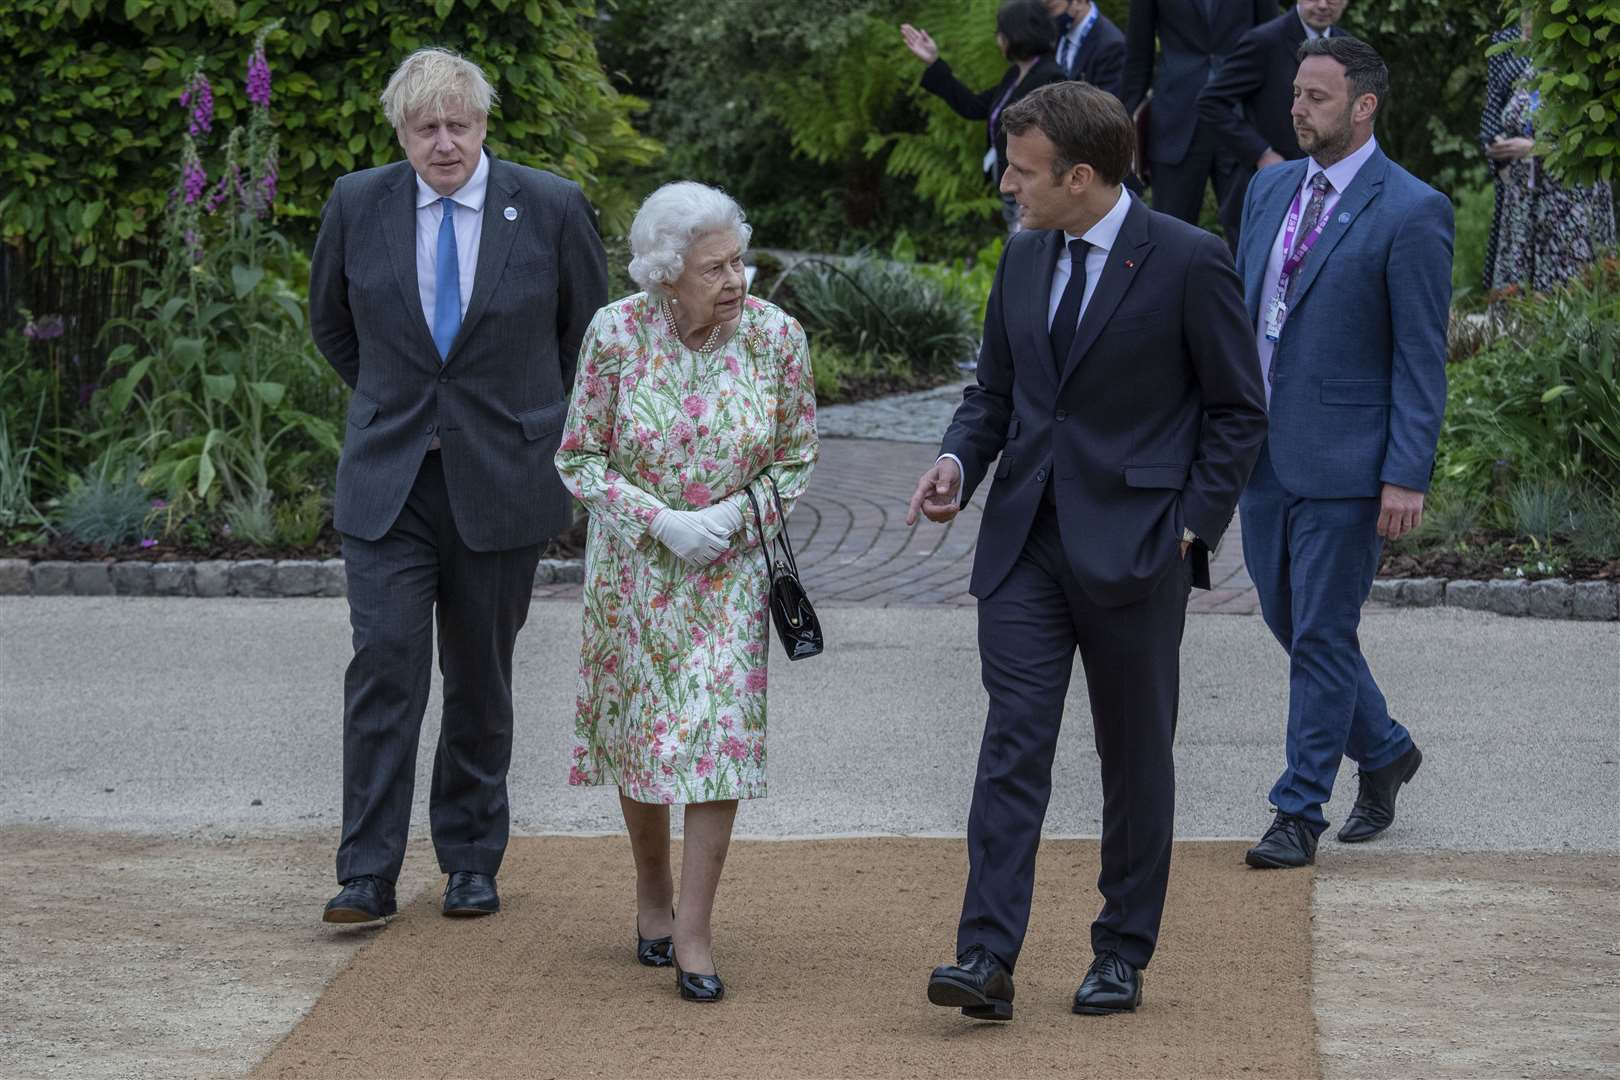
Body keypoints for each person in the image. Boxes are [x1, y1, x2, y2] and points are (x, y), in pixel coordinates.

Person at [907, 81, 1266, 1021]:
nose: (1007, 188)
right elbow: (995, 391)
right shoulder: (1024, 257)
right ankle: (984, 957)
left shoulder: (1190, 260)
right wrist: (956, 461)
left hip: (1139, 548)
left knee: (1134, 757)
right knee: (1011, 747)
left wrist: (1190, 528)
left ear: (1079, 174)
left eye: (1022, 173)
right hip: (1024, 542)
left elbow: (1237, 411)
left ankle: (1122, 951)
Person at [308, 47, 608, 924]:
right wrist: (402, 402)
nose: (445, 143)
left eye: (459, 125)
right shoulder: (356, 204)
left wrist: (527, 419)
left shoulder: (547, 205)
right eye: (425, 127)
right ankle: (366, 872)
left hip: (503, 476)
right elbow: (332, 325)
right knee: (385, 666)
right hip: (389, 478)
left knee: (481, 675)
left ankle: (472, 859)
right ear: (400, 132)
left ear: (484, 124)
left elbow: (586, 338)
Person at [554, 182, 819, 1003]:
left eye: (740, 259)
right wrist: (660, 521)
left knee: (716, 742)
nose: (736, 279)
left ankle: (695, 933)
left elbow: (798, 457)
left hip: (731, 569)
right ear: (667, 274)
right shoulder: (617, 332)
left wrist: (738, 514)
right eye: (715, 268)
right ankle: (651, 895)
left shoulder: (777, 338)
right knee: (642, 734)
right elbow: (579, 458)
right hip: (638, 566)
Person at [1234, 36, 1451, 870]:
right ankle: (1387, 746)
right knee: (1291, 622)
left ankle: (1298, 810)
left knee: (1322, 632)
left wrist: (1406, 470)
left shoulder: (1412, 209)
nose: (1298, 108)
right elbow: (1244, 311)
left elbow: (1419, 354)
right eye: (1295, 94)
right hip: (1259, 456)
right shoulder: (1269, 189)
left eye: (1317, 97)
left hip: (1349, 460)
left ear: (1364, 106)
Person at [901, 0, 1067, 231]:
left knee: (1026, 249)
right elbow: (975, 106)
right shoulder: (1016, 74)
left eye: (1001, 33)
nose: (998, 40)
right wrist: (934, 62)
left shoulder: (1050, 77)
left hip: (1032, 188)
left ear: (1018, 33)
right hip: (1011, 183)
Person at [1198, 0, 1349, 252]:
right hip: (1270, 188)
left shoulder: (1348, 47)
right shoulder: (1264, 41)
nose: (1323, 5)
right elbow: (1210, 102)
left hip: (1327, 187)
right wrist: (1261, 152)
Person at [1480, 18, 1616, 296]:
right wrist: (1500, 150)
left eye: (1534, 13)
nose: (1525, 23)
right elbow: (1507, 119)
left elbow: (1592, 146)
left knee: (1567, 290)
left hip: (1568, 202)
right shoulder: (1528, 72)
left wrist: (1534, 149)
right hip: (1524, 199)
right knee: (1521, 297)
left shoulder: (1582, 75)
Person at [1123, 0, 1279, 224]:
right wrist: (1126, 120)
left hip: (1241, 118)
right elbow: (1138, 52)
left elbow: (1271, 41)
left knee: (1250, 228)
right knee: (1170, 231)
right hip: (1174, 117)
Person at [1044, 0, 1127, 102]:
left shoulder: (1111, 46)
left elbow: (1105, 109)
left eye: (1052, 8)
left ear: (1079, 2)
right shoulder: (1056, 35)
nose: (1048, 17)